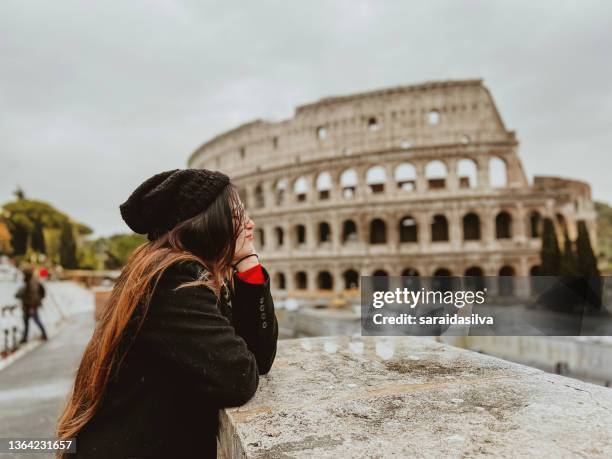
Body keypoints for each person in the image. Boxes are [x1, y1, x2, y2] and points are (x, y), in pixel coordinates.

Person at [56, 169, 278, 458]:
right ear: (206, 222)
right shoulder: (175, 280)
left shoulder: (186, 273)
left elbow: (259, 358)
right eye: (236, 216)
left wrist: (248, 262)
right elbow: (238, 378)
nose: (249, 224)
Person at [16, 267, 48, 343]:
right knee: (27, 322)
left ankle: (43, 334)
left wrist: (32, 306)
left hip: (30, 306)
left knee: (35, 320)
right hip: (29, 306)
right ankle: (25, 338)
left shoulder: (31, 283)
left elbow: (32, 296)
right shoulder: (31, 282)